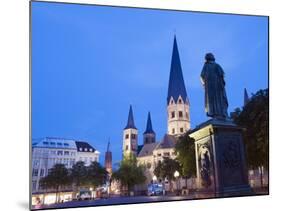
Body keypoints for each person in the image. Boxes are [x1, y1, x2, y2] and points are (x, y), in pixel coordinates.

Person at [200, 53, 228, 119]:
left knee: (212, 100)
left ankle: (215, 113)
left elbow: (201, 76)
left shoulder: (206, 66)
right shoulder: (216, 65)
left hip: (210, 88)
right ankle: (221, 113)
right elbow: (222, 75)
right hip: (217, 86)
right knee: (219, 99)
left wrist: (205, 84)